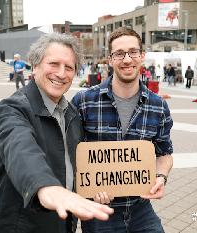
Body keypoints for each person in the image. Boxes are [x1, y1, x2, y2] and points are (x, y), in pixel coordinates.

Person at [0, 33, 113, 233]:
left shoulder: (72, 113)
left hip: (64, 225)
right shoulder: (12, 108)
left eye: (69, 67)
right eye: (54, 64)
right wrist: (45, 186)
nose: (61, 73)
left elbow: (74, 166)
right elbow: (20, 149)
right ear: (35, 65)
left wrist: (92, 190)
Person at [72, 27, 173, 233]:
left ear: (142, 56)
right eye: (119, 53)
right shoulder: (84, 101)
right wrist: (86, 189)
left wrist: (160, 177)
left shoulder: (158, 106)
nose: (127, 59)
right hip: (99, 210)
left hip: (141, 208)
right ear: (110, 59)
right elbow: (68, 154)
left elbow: (164, 153)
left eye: (133, 52)